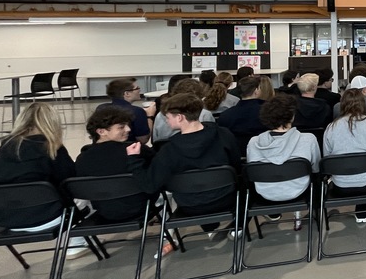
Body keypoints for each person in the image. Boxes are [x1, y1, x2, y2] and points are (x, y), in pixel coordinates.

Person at [0, 102, 88, 258]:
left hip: (6, 220)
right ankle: (76, 242)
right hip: (47, 217)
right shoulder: (51, 148)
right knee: (88, 192)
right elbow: (70, 181)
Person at [142, 93, 242, 252]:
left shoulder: (168, 150)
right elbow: (237, 168)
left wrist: (134, 160)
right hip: (226, 199)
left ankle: (209, 227)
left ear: (180, 117)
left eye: (167, 117)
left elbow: (150, 184)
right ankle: (237, 226)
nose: (166, 121)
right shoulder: (224, 135)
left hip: (189, 205)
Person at [247, 94, 321, 231]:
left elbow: (254, 172)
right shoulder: (308, 139)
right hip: (300, 192)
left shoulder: (253, 143)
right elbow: (316, 169)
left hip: (265, 194)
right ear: (292, 116)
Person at [75, 106, 157, 222]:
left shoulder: (82, 159)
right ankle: (167, 233)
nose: (128, 129)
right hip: (142, 208)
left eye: (128, 125)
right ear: (101, 131)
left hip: (104, 212)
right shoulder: (137, 150)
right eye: (121, 127)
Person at [322, 88, 366, 224]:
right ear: (363, 104)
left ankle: (363, 209)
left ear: (342, 104)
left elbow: (327, 159)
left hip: (341, 184)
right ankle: (363, 209)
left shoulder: (331, 128)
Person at [153, 78, 215, 145]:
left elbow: (155, 141)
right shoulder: (205, 114)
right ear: (199, 97)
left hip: (166, 151)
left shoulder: (161, 115)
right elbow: (211, 137)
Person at [216, 75, 273, 143]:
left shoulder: (225, 115)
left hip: (236, 151)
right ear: (256, 90)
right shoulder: (269, 113)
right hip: (264, 150)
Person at [98, 77, 155, 144]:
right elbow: (143, 140)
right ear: (127, 94)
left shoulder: (101, 108)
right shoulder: (137, 112)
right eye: (137, 88)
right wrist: (150, 116)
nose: (139, 90)